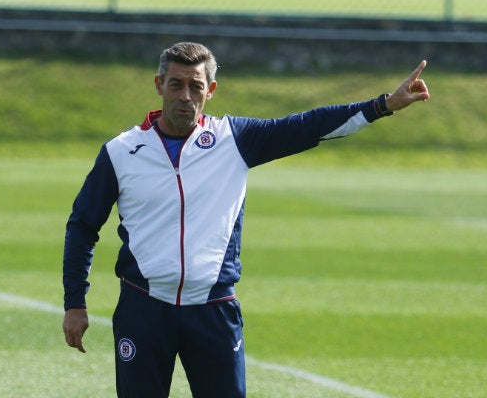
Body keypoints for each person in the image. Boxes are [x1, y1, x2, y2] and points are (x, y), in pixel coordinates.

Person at [62, 41, 430, 398]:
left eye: (196, 86)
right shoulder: (121, 151)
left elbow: (308, 126)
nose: (185, 96)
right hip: (143, 307)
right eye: (175, 84)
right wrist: (75, 303)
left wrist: (384, 105)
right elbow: (82, 226)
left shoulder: (234, 139)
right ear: (159, 85)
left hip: (214, 310)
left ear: (212, 90)